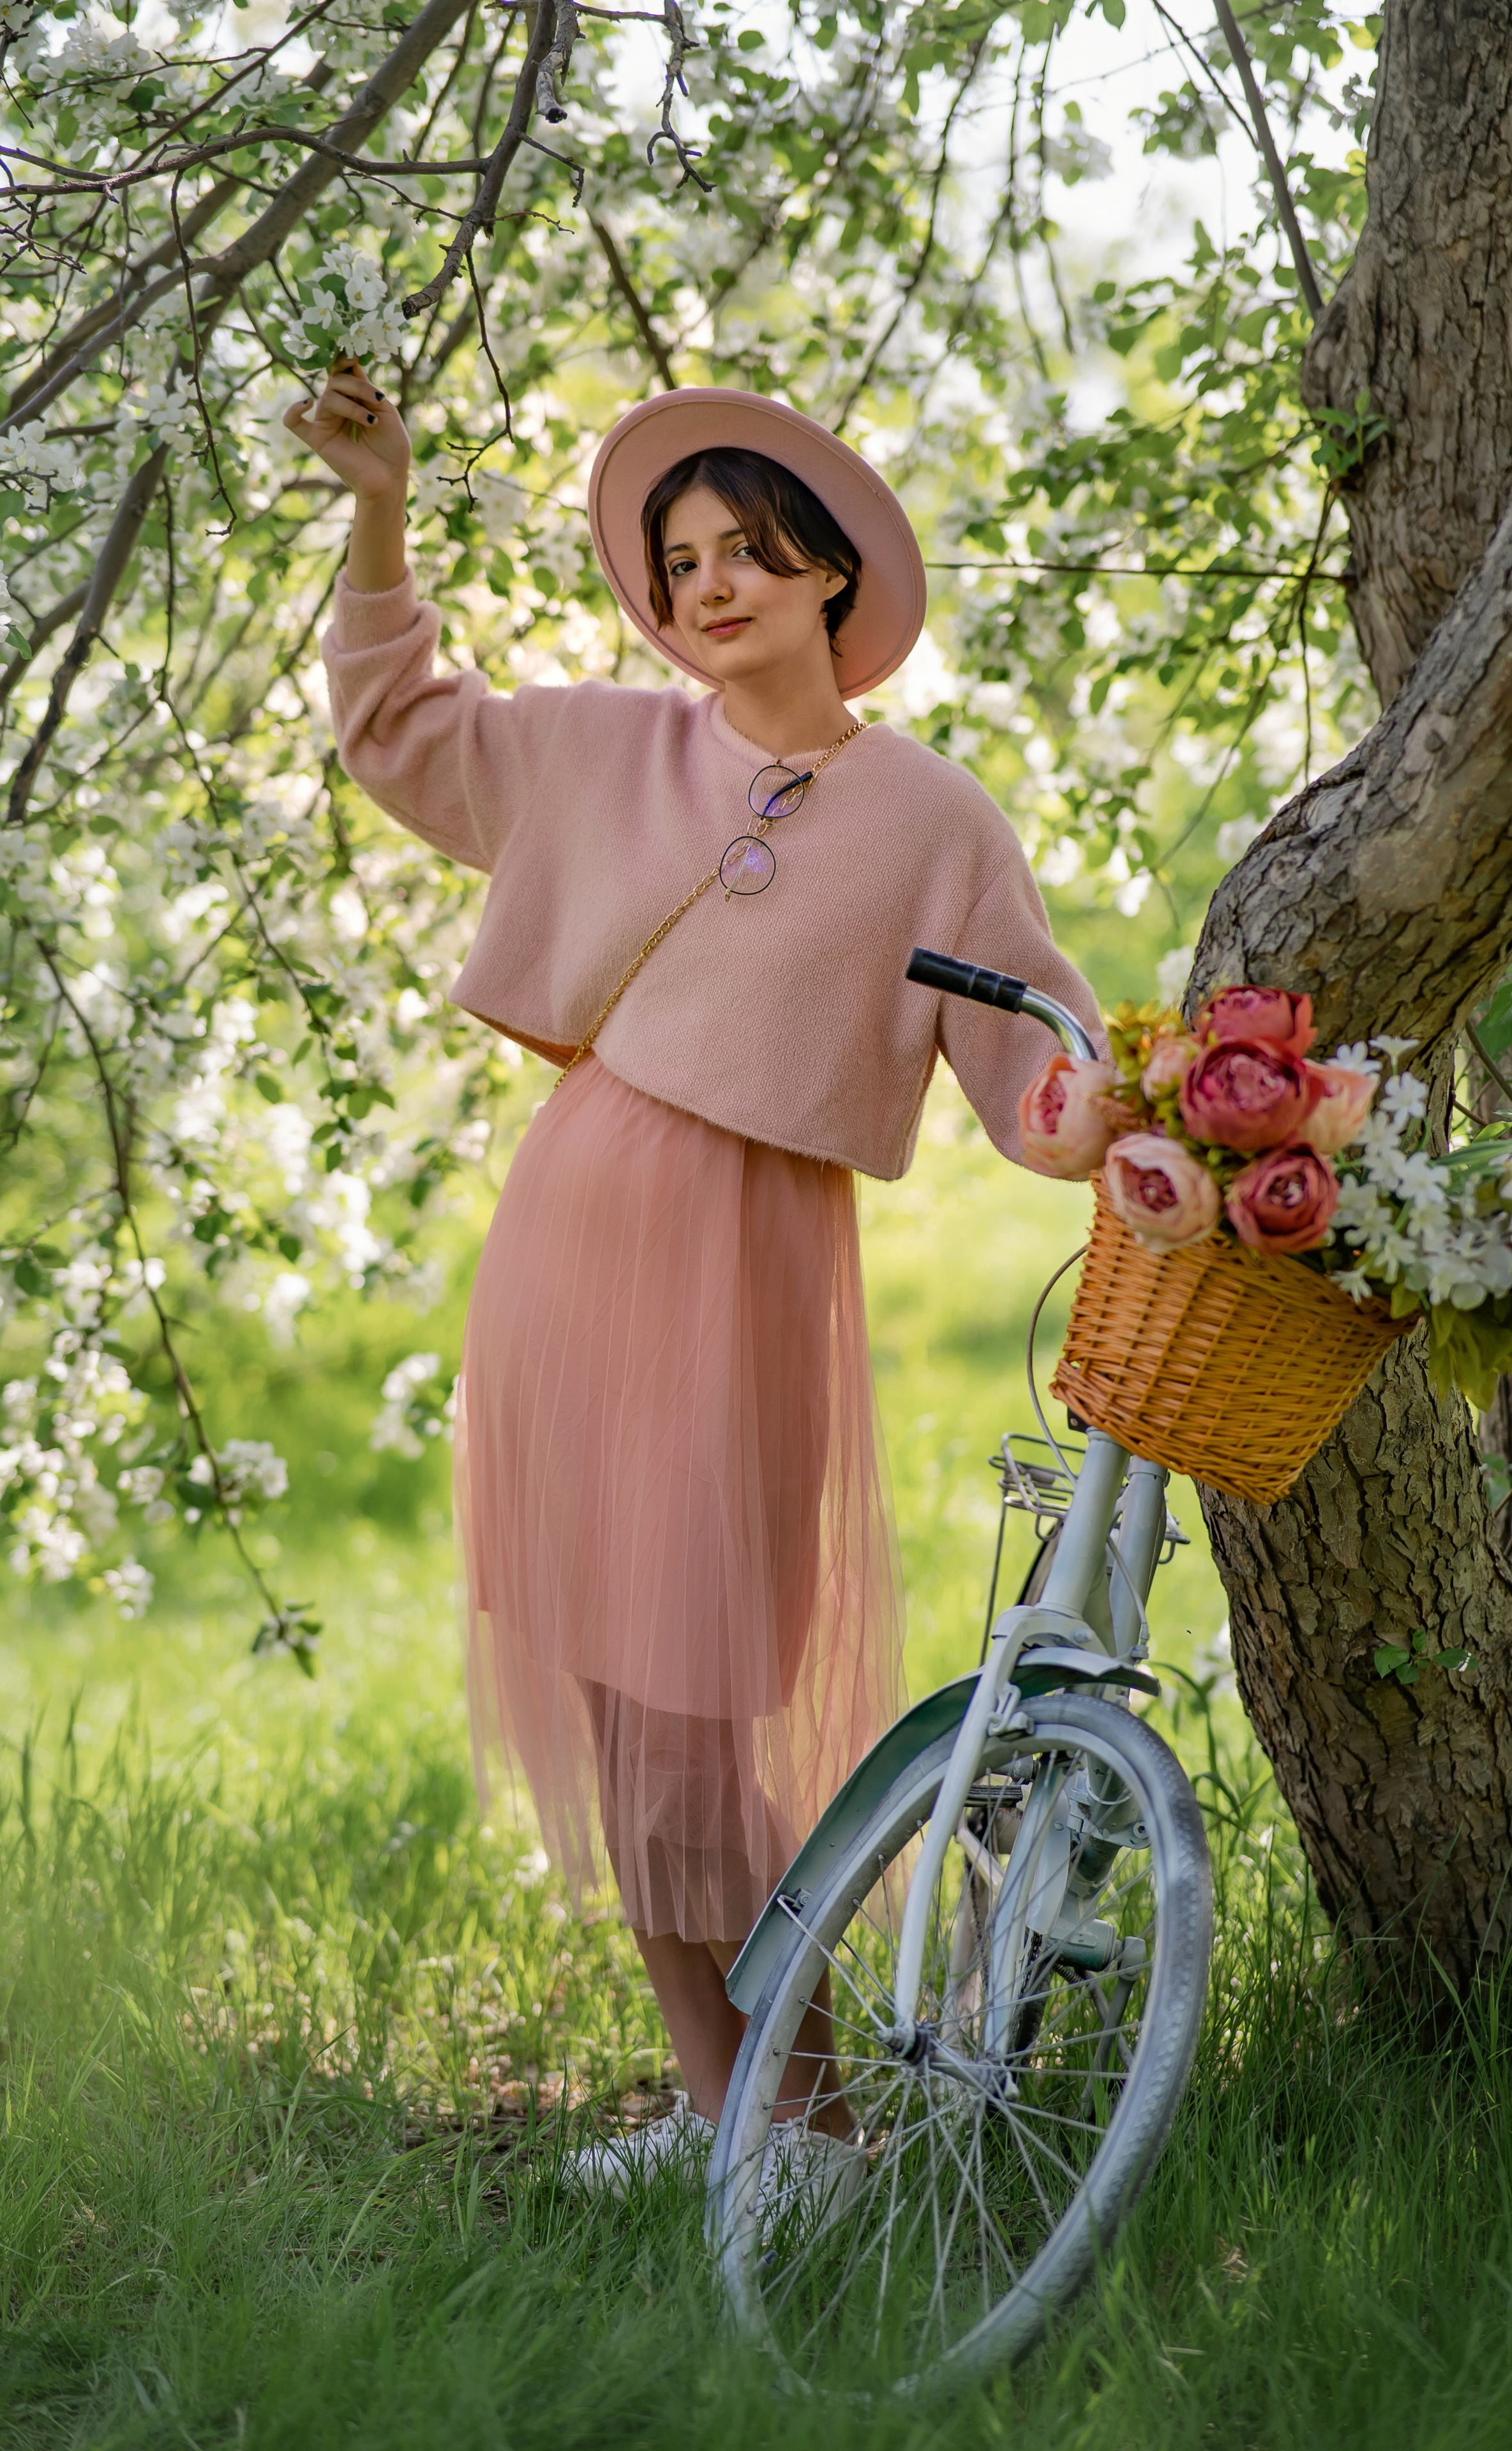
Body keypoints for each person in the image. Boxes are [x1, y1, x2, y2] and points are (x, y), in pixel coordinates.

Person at [287, 366, 1102, 2201]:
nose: (712, 586)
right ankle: (712, 2100)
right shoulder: (605, 751)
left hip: (747, 1262)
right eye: (679, 561)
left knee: (691, 1698)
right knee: (603, 1684)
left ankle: (802, 2119)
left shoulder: (929, 821)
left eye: (750, 551)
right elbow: (403, 729)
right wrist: (381, 510)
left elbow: (1032, 1065)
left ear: (829, 576)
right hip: (574, 1235)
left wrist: (1144, 1128)